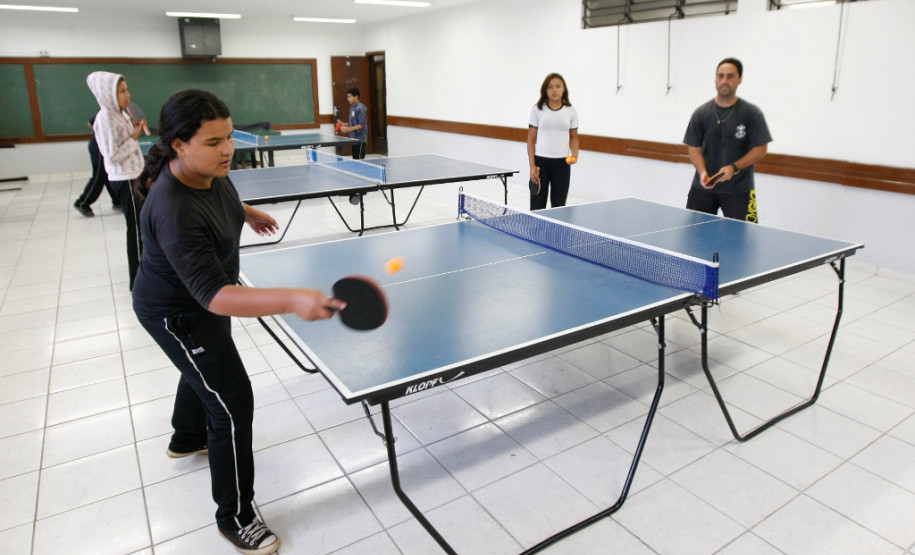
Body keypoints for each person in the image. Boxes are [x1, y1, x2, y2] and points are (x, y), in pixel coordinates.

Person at [132, 88, 346, 555]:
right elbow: (216, 297)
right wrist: (293, 298)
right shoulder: (173, 208)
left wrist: (245, 213)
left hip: (198, 303)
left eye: (229, 136)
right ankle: (234, 515)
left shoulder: (208, 172)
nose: (228, 148)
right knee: (231, 403)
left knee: (203, 373)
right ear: (178, 145)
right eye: (213, 142)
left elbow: (219, 200)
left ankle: (186, 438)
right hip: (177, 312)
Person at [683, 57, 772, 223]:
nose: (725, 80)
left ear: (739, 80)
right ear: (715, 79)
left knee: (744, 236)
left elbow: (761, 148)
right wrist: (703, 173)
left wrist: (733, 168)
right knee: (693, 235)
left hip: (740, 190)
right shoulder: (701, 113)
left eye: (730, 76)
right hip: (702, 189)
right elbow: (694, 148)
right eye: (721, 76)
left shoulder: (752, 113)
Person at [86, 71, 146, 288]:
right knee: (136, 230)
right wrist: (135, 137)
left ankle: (147, 273)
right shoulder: (105, 119)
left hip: (135, 175)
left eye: (126, 90)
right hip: (125, 179)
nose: (127, 95)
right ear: (108, 94)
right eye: (121, 91)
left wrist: (135, 130)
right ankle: (137, 282)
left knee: (144, 228)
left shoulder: (121, 114)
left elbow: (126, 142)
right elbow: (111, 156)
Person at [527, 73, 579, 211]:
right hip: (540, 164)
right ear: (545, 90)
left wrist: (575, 154)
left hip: (562, 165)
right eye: (550, 87)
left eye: (558, 86)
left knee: (559, 207)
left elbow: (574, 137)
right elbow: (531, 139)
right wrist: (532, 166)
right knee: (537, 208)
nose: (554, 90)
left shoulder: (571, 111)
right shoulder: (537, 110)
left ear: (564, 89)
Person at [73, 115, 120, 216]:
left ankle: (117, 200)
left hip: (107, 148)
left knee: (107, 174)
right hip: (99, 148)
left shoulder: (119, 113)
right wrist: (100, 133)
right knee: (99, 176)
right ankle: (82, 203)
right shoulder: (105, 112)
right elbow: (90, 123)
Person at [336, 87, 368, 159]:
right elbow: (353, 123)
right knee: (355, 160)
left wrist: (348, 129)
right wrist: (343, 124)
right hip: (353, 139)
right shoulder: (352, 108)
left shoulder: (360, 108)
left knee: (359, 161)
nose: (348, 99)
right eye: (347, 97)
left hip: (360, 140)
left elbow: (361, 125)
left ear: (356, 97)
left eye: (350, 97)